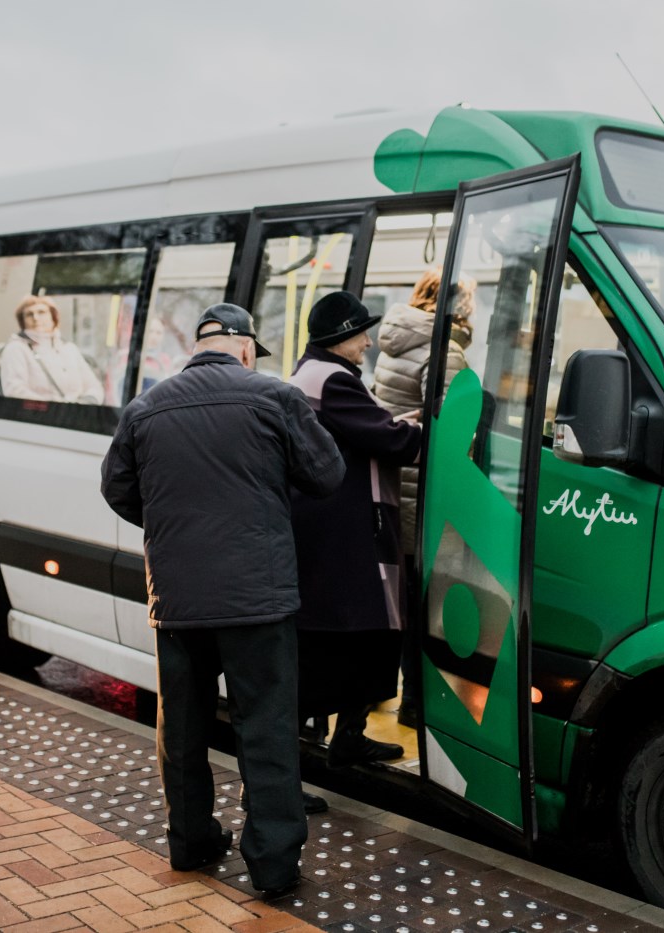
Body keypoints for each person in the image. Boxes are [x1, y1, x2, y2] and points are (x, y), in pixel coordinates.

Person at [101, 304, 344, 897]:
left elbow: (116, 489)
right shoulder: (273, 398)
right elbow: (328, 473)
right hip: (257, 599)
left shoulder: (145, 408)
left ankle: (189, 842)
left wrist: (169, 525)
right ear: (241, 347)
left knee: (181, 727)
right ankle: (273, 866)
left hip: (178, 598)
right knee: (266, 728)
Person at [290, 291, 424, 767]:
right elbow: (384, 440)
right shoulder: (333, 379)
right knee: (361, 634)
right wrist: (425, 432)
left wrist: (392, 423)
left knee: (347, 635)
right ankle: (332, 742)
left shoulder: (313, 374)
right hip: (350, 528)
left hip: (328, 527)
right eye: (361, 333)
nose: (367, 342)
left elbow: (362, 429)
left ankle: (343, 735)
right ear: (341, 337)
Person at [371, 268, 475, 729]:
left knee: (396, 597)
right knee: (422, 605)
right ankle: (415, 700)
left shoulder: (394, 340)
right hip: (426, 493)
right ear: (459, 304)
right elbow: (452, 428)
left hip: (394, 485)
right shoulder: (442, 349)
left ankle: (373, 691)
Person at [0, 296, 103, 402]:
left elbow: (94, 386)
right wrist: (53, 409)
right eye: (29, 314)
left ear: (53, 317)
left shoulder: (69, 349)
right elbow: (14, 391)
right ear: (22, 322)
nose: (36, 318)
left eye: (41, 312)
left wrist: (86, 403)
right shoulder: (16, 348)